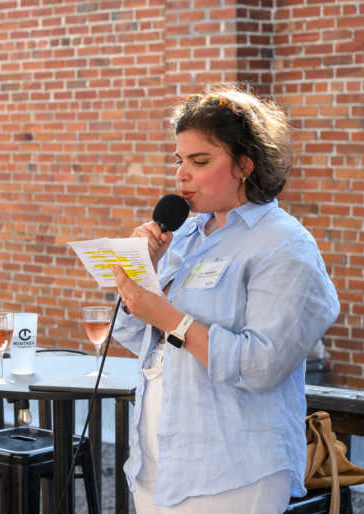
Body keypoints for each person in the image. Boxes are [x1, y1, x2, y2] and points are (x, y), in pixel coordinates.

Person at [110, 83, 340, 513]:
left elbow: (263, 365)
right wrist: (146, 274)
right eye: (179, 160)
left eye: (199, 161)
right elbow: (134, 336)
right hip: (159, 459)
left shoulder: (285, 245)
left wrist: (172, 320)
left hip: (233, 468)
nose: (181, 174)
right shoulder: (186, 237)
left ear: (245, 165)